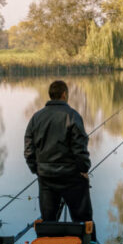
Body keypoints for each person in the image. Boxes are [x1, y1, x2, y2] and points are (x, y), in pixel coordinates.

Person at [24, 80, 94, 233]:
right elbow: (79, 148)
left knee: (48, 222)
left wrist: (37, 169)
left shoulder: (36, 118)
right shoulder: (73, 116)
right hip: (72, 177)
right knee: (83, 221)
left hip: (46, 177)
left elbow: (28, 149)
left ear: (51, 95)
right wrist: (84, 169)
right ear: (64, 94)